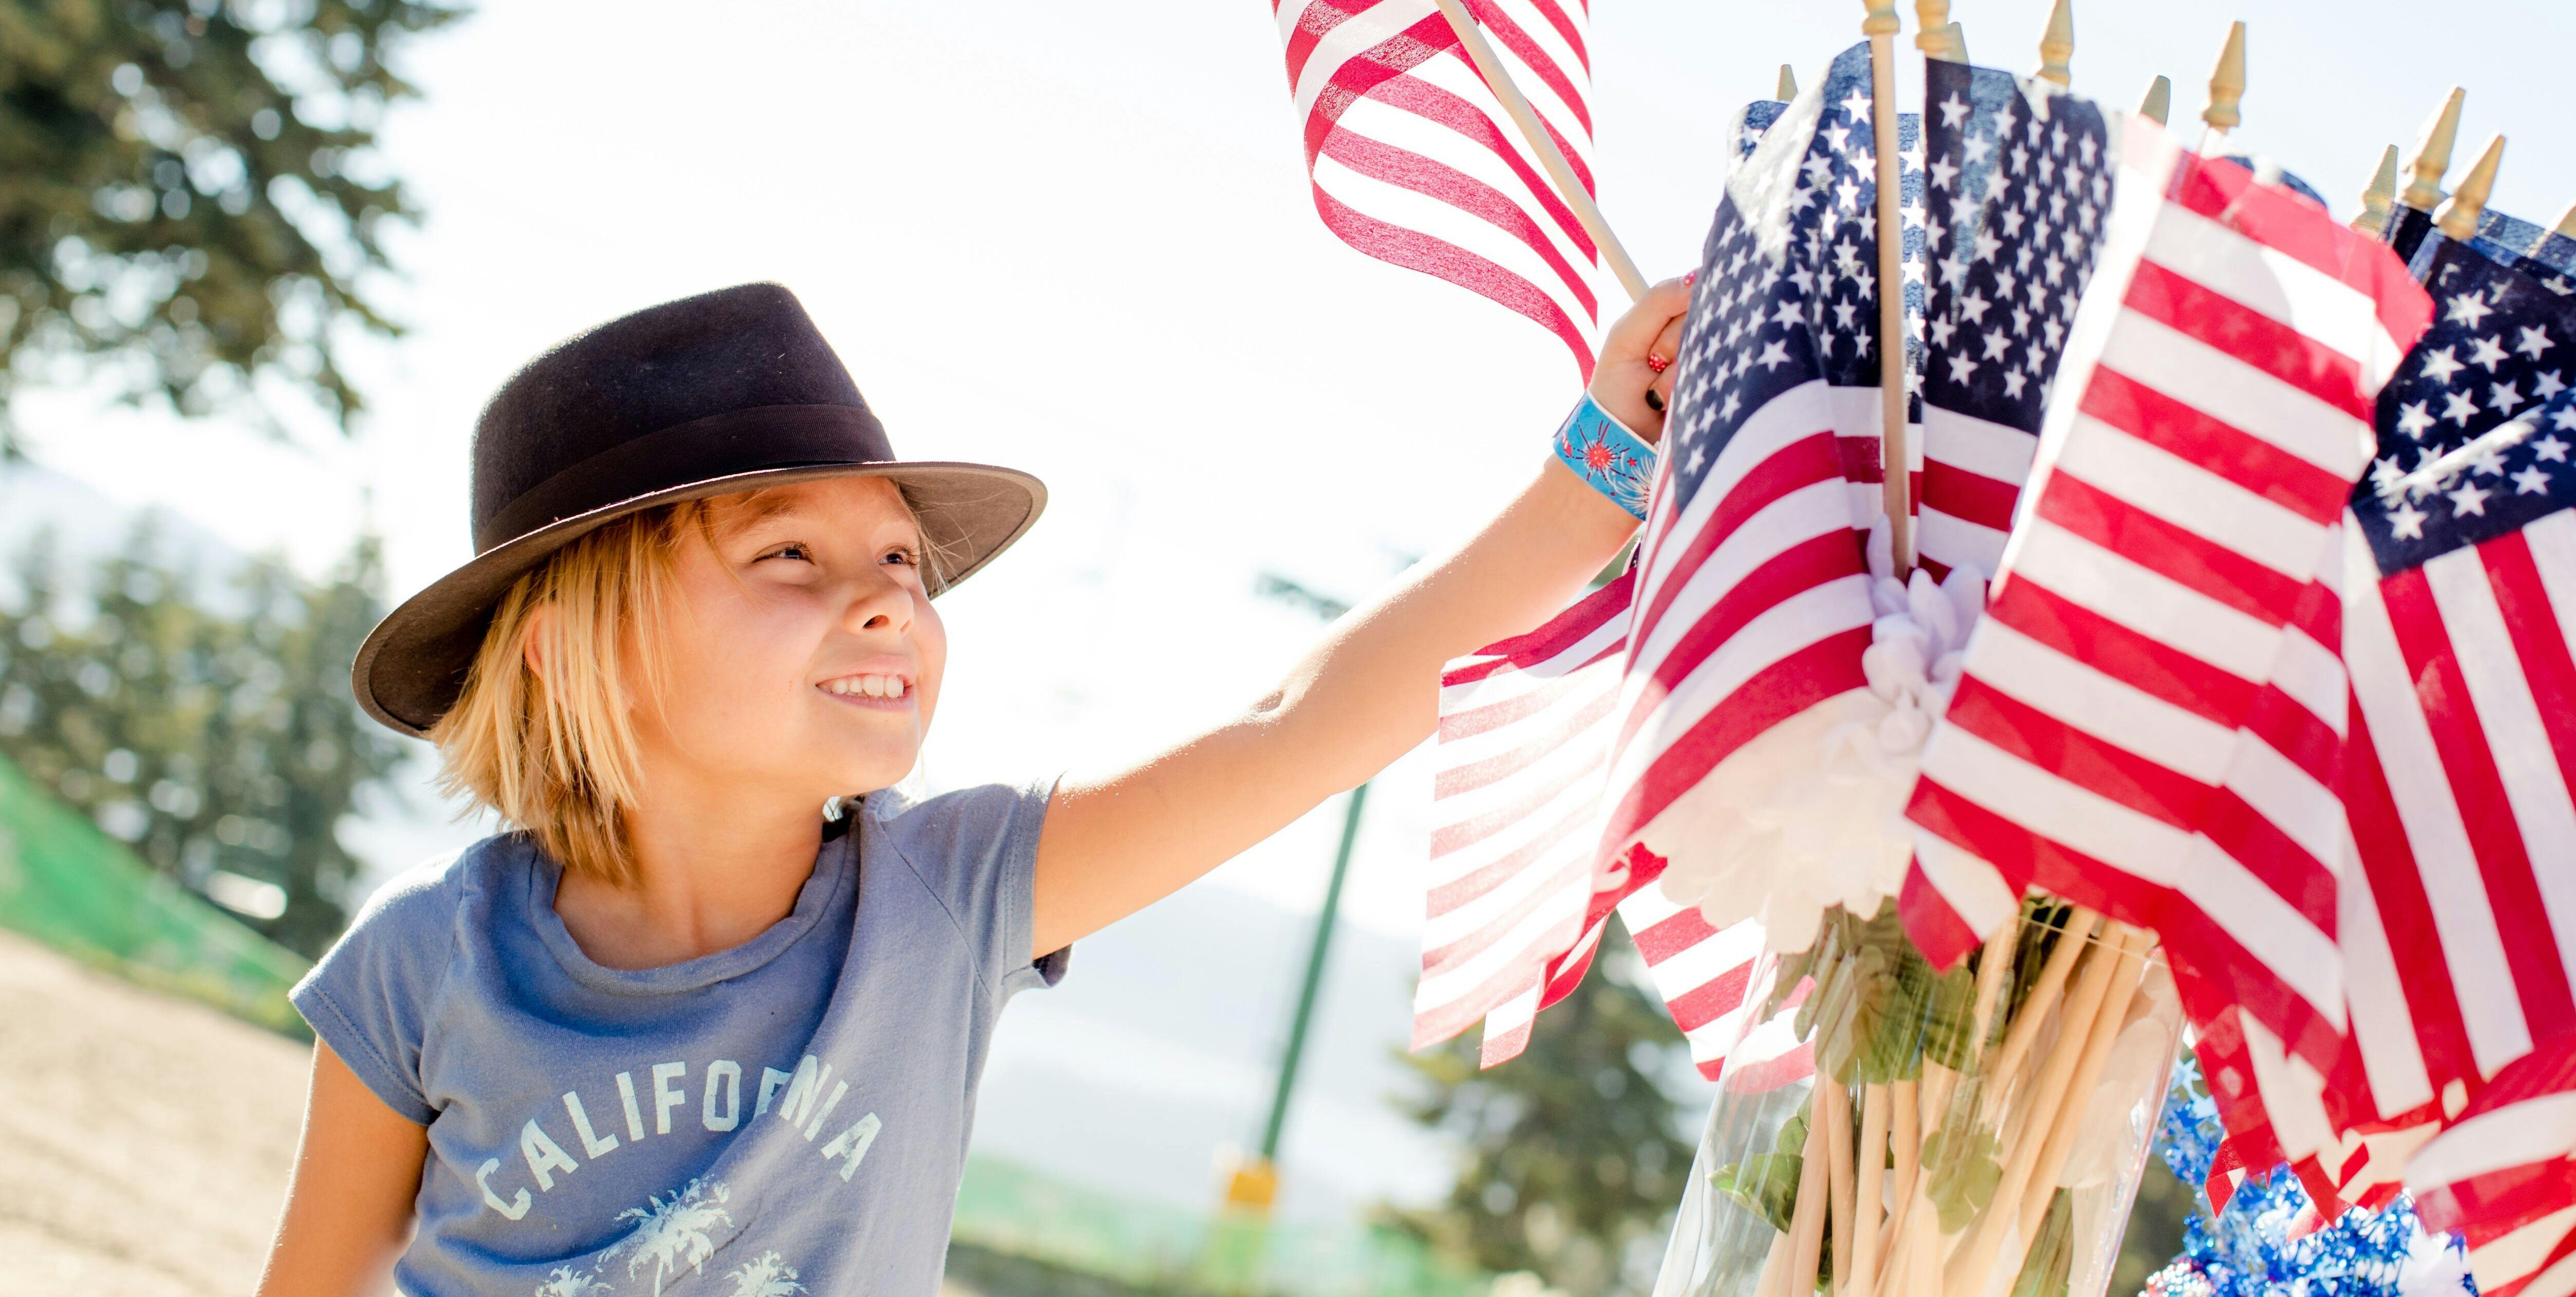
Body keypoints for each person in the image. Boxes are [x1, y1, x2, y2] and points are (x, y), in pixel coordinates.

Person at [254, 277, 1691, 1295]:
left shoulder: (950, 897)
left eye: (901, 559)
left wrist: (1604, 468)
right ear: (582, 645)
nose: (889, 600)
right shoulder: (420, 963)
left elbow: (1290, 724)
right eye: (789, 556)